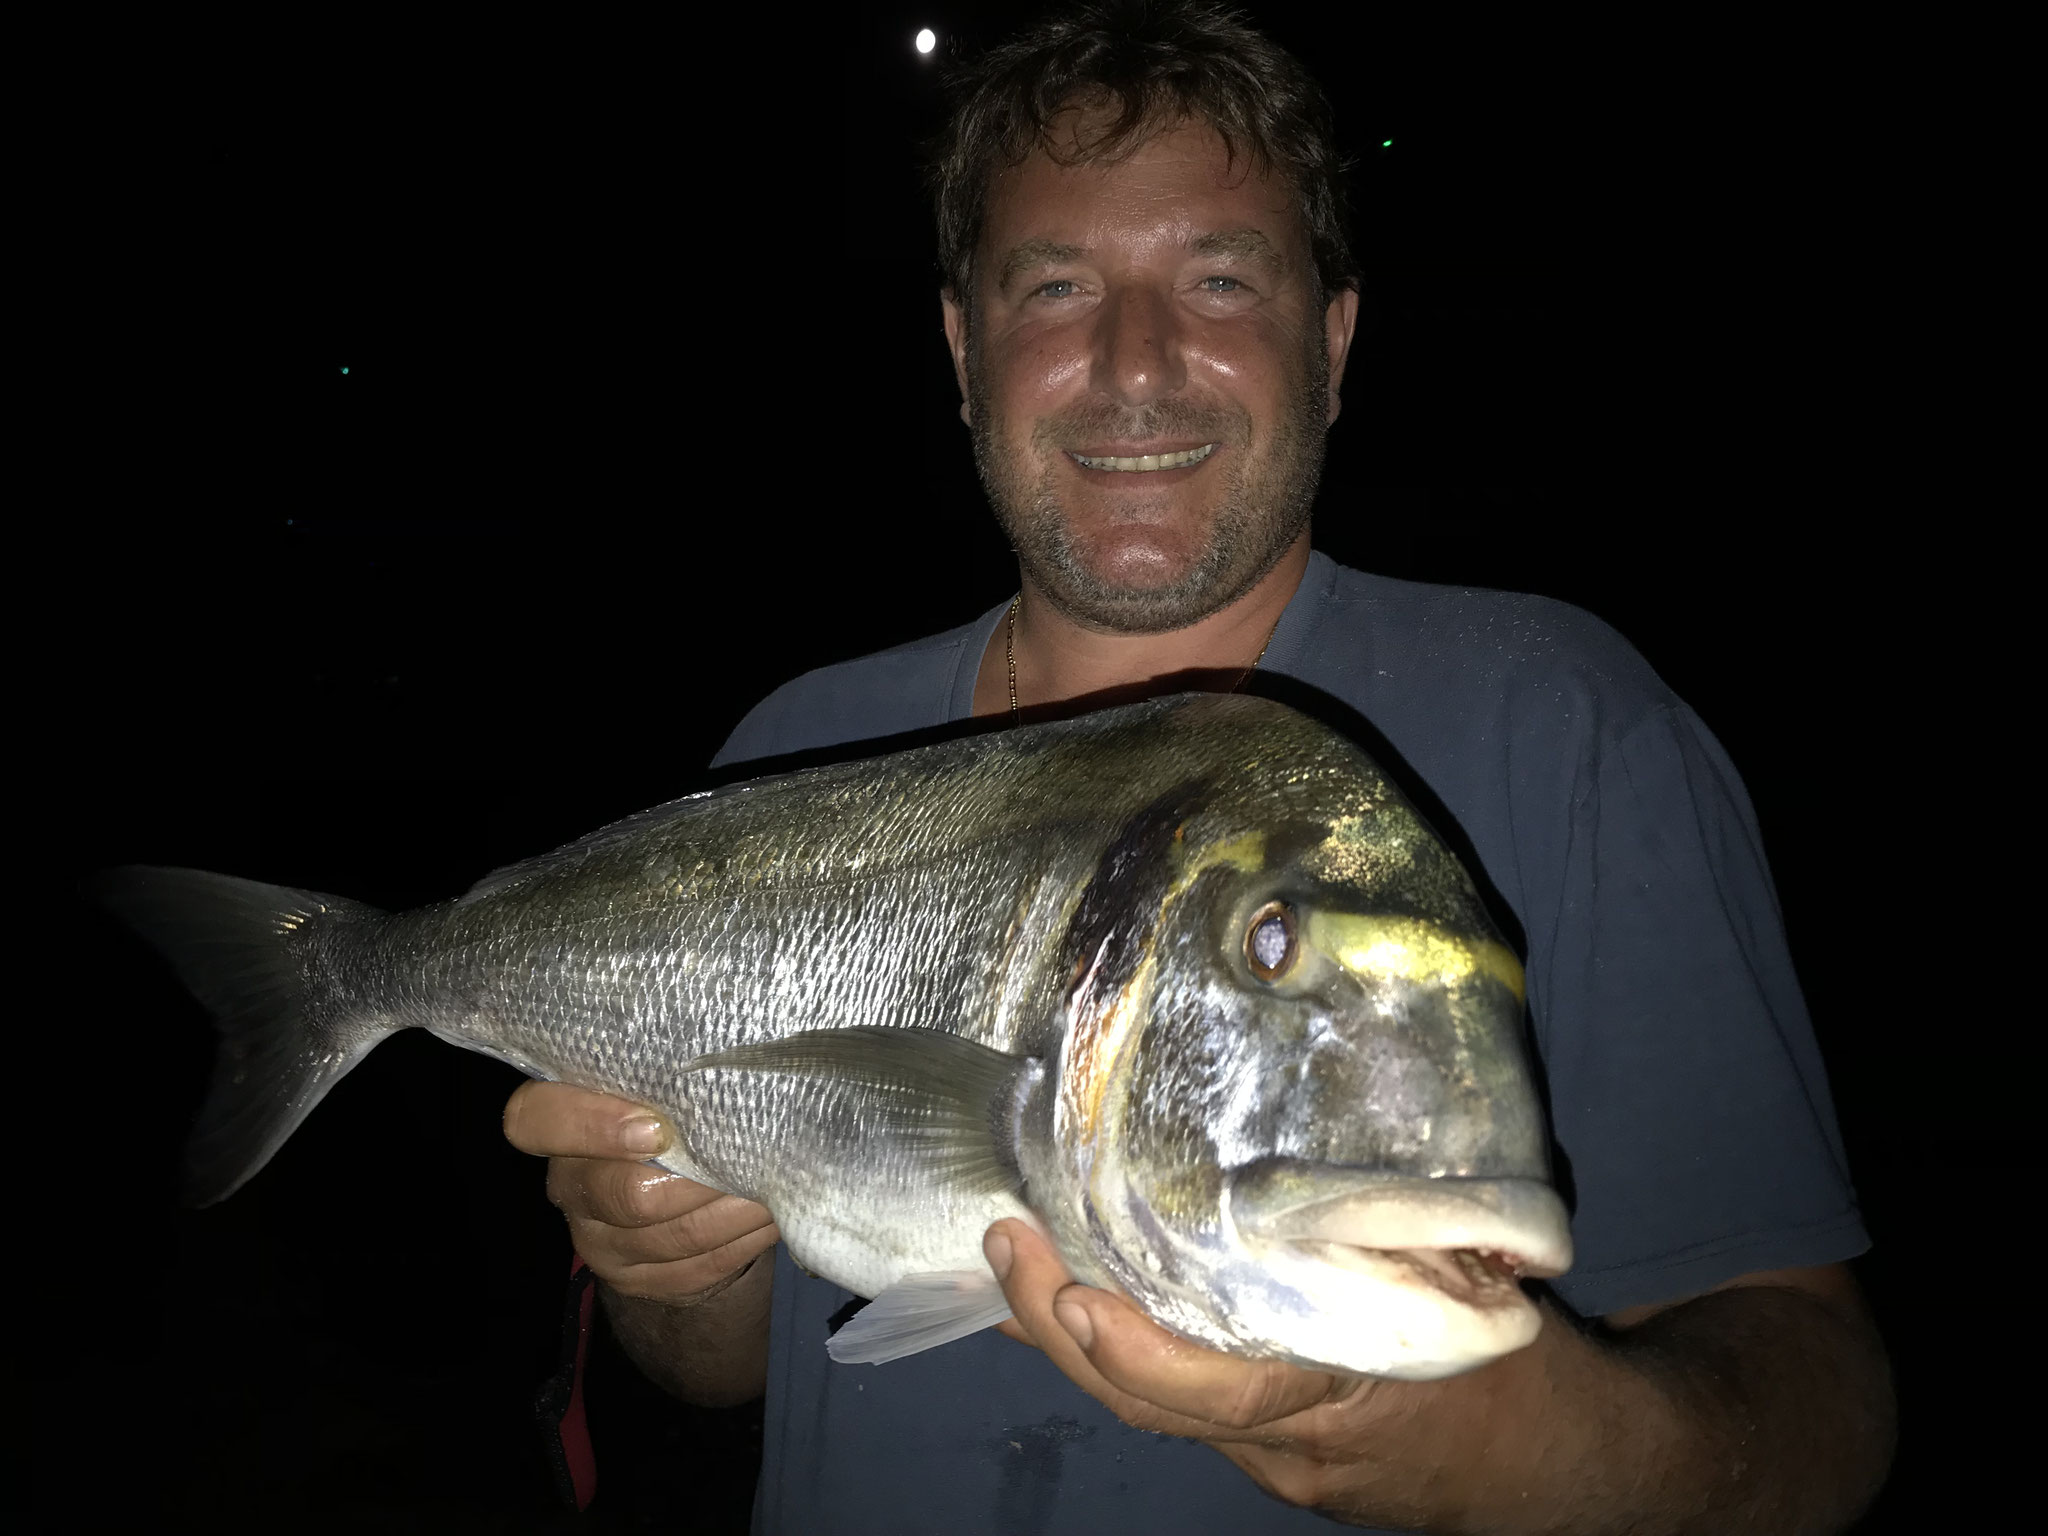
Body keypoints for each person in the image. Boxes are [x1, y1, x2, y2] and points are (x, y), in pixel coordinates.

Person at [503, 4, 1895, 1530]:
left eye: (1220, 278)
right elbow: (714, 1369)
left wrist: (1518, 1451)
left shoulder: (1567, 730)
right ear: (966, 350)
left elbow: (1820, 1396)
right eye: (1057, 287)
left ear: (1335, 335)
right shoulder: (792, 750)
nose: (1136, 362)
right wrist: (669, 1268)